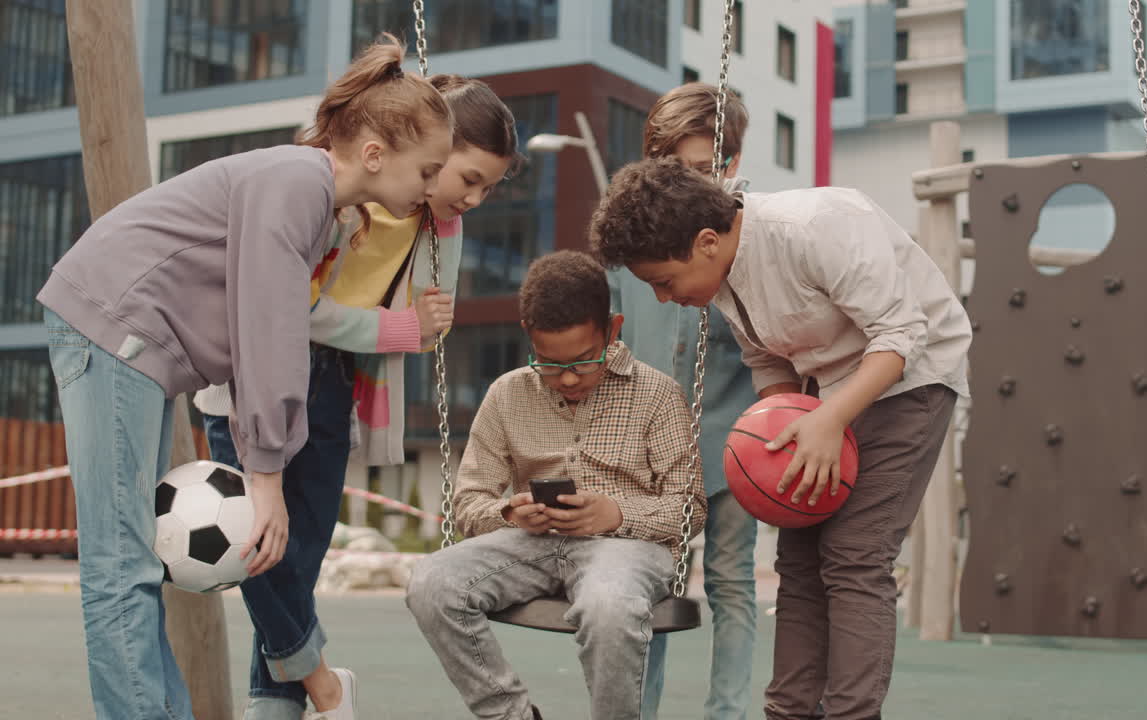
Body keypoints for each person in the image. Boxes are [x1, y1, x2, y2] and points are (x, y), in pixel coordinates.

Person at [38, 34, 454, 720]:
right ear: (375, 155)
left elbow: (273, 326)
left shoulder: (314, 198)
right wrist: (266, 481)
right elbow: (269, 332)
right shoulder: (297, 182)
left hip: (127, 337)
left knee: (129, 568)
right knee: (120, 568)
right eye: (429, 169)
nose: (432, 187)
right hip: (113, 327)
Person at [589, 158, 972, 720]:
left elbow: (902, 333)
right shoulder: (721, 276)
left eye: (664, 283)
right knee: (797, 559)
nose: (665, 299)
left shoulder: (817, 226)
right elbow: (767, 353)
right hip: (825, 387)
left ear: (706, 241)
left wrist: (827, 419)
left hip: (909, 377)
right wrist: (776, 425)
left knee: (854, 556)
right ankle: (789, 712)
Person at [193, 74, 520, 720]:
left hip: (334, 381)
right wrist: (396, 326)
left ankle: (273, 708)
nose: (475, 198)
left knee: (299, 557)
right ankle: (325, 688)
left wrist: (406, 325)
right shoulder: (338, 196)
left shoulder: (438, 229)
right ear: (427, 150)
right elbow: (295, 309)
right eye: (468, 177)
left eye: (490, 187)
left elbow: (432, 326)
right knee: (250, 544)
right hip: (251, 371)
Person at [405, 250, 708, 720]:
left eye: (585, 361)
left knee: (608, 607)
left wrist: (616, 514)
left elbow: (689, 507)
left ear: (613, 329)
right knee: (431, 583)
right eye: (549, 363)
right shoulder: (507, 393)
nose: (567, 378)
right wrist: (510, 513)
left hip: (625, 548)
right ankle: (512, 714)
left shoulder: (657, 394)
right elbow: (468, 500)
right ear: (529, 338)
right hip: (533, 543)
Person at [608, 82, 760, 720]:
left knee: (731, 583)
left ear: (730, 164)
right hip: (651, 455)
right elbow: (616, 340)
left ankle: (726, 711)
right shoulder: (634, 244)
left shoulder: (744, 235)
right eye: (676, 169)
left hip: (731, 444)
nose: (693, 183)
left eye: (706, 169)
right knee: (648, 589)